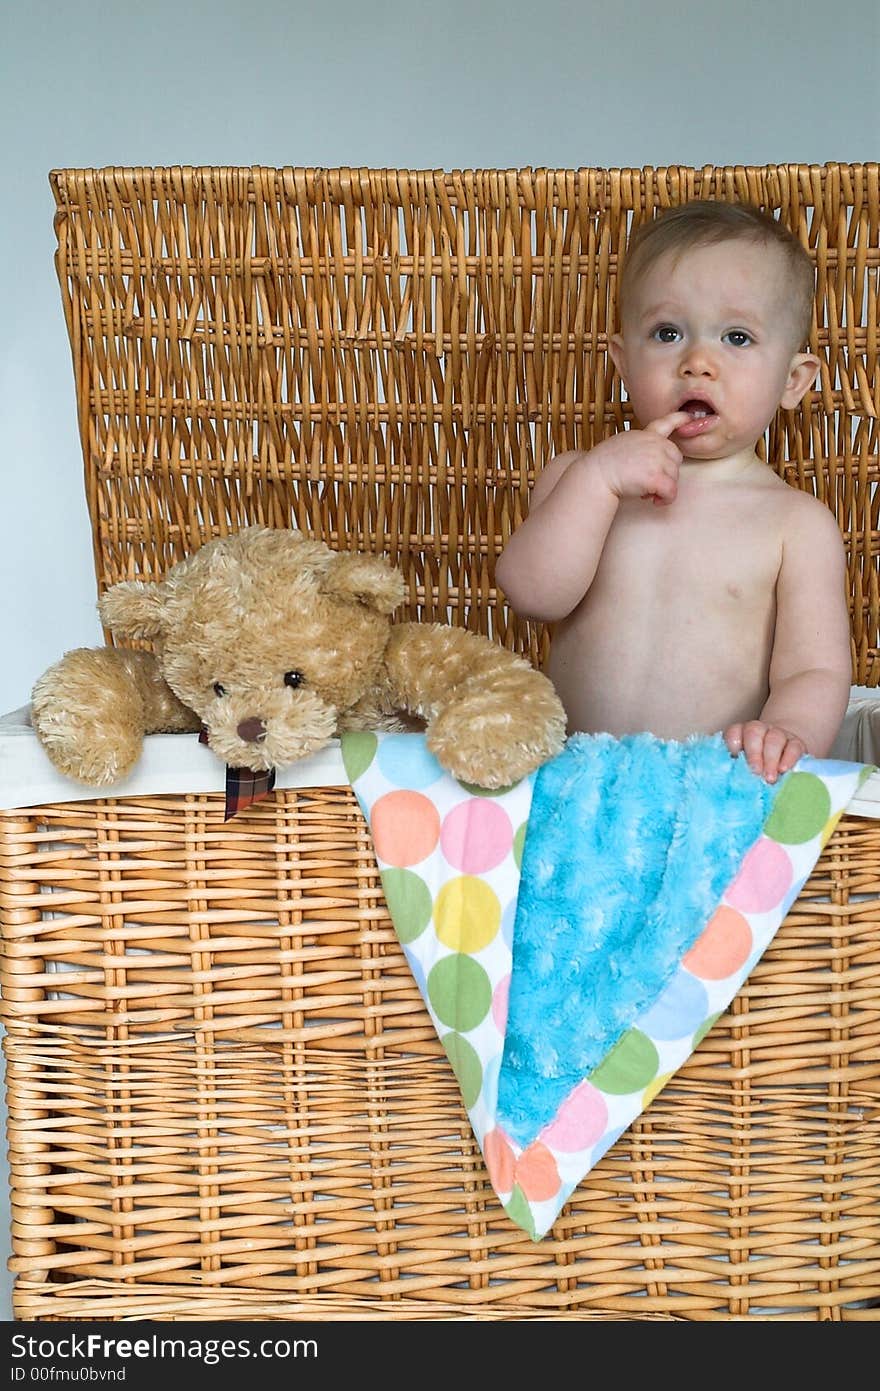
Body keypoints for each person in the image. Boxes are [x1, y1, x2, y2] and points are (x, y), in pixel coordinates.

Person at [495, 200, 852, 785]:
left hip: (712, 787)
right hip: (573, 780)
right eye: (667, 333)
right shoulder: (578, 479)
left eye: (737, 337)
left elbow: (812, 668)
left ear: (793, 381)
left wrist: (786, 734)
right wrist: (601, 480)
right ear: (623, 360)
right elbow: (533, 595)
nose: (698, 362)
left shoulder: (795, 523)